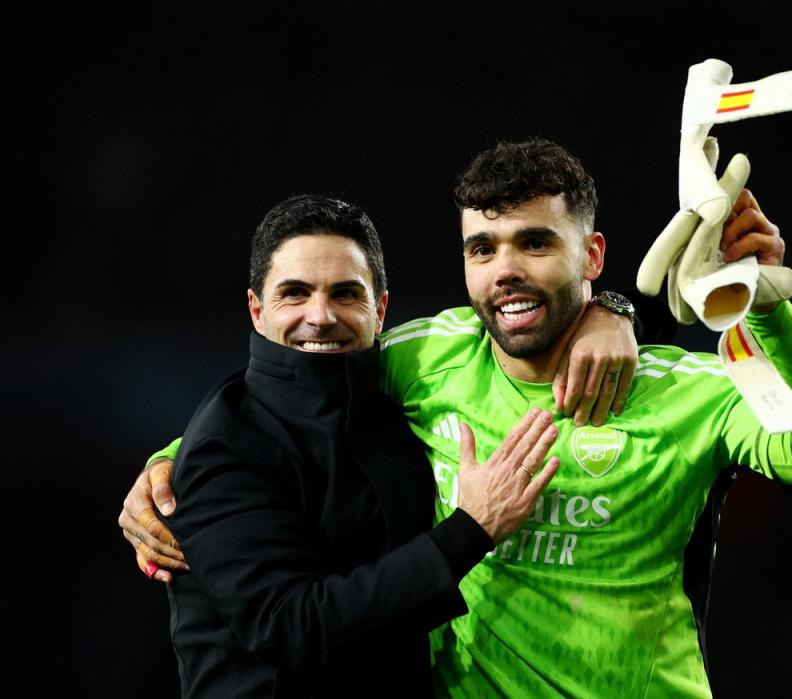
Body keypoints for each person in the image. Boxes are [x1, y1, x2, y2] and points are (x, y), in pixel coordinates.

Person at [125, 140, 792, 698]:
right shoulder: (427, 358)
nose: (504, 269)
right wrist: (169, 461)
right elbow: (290, 400)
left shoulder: (693, 391)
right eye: (481, 247)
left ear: (593, 255)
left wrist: (769, 314)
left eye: (535, 242)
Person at [155, 193, 565, 697]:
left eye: (346, 294)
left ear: (381, 309)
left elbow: (538, 328)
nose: (321, 315)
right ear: (256, 310)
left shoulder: (397, 399)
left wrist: (616, 315)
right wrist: (471, 530)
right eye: (295, 293)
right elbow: (291, 625)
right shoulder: (223, 449)